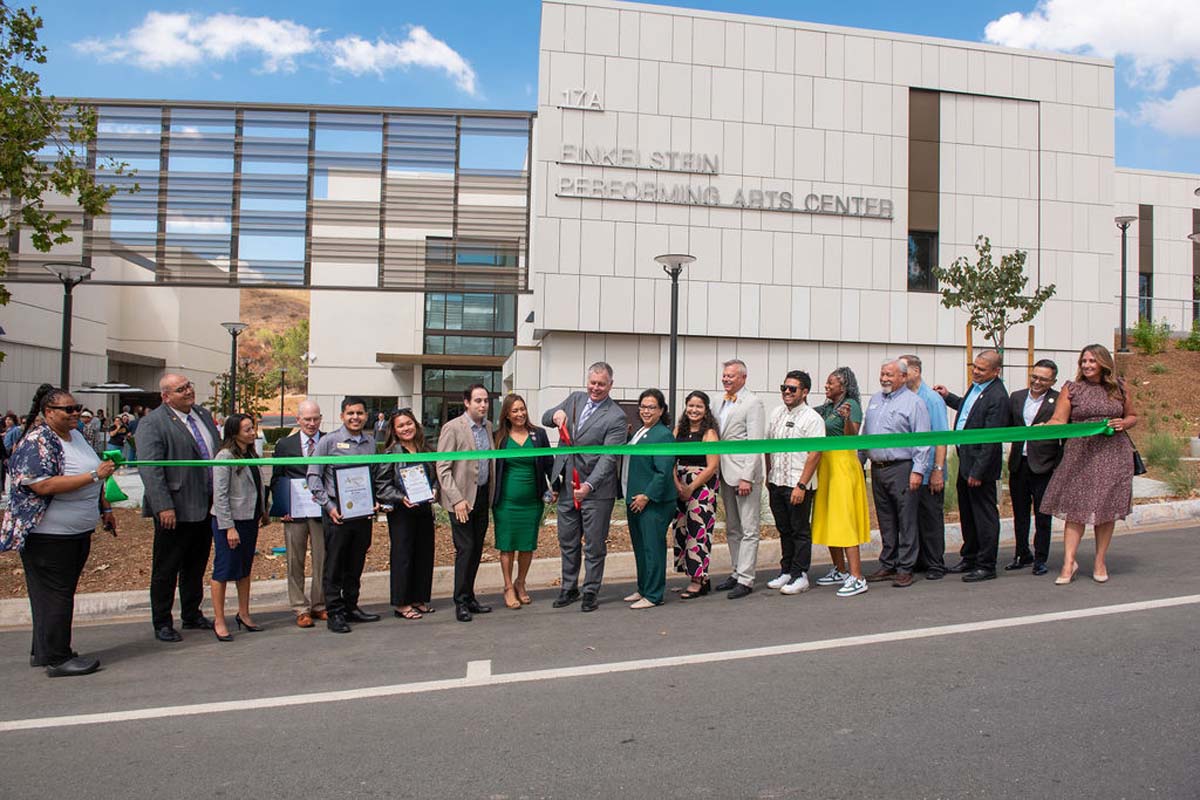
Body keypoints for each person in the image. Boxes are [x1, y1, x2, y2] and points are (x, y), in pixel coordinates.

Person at [1, 385, 117, 677]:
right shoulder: (38, 441)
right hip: (48, 535)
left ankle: (44, 651)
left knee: (53, 594)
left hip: (76, 531)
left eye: (76, 408)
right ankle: (57, 658)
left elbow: (96, 480)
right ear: (49, 412)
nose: (75, 413)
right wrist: (93, 475)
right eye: (68, 409)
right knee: (57, 595)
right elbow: (42, 484)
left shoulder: (76, 436)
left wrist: (104, 509)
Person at [1040, 345, 1136, 584]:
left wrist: (1124, 423)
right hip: (1080, 454)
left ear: (1104, 363)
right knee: (1075, 509)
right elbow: (1059, 420)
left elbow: (1133, 415)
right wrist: (1041, 428)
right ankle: (1068, 562)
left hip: (1113, 454)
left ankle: (1099, 561)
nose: (1087, 365)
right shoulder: (1072, 388)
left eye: (1092, 361)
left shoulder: (1120, 387)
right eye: (1084, 361)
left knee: (1105, 510)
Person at [138, 373, 221, 642]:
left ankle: (191, 613)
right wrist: (163, 506)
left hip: (205, 506)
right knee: (166, 568)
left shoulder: (202, 415)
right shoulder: (153, 423)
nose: (188, 392)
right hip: (175, 508)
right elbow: (151, 469)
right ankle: (162, 621)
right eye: (180, 389)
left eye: (189, 386)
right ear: (166, 396)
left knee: (195, 565)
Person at [542, 362, 628, 612]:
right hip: (568, 486)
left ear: (610, 385)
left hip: (597, 491)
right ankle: (569, 587)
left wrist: (589, 486)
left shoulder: (617, 416)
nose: (596, 388)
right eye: (592, 382)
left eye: (601, 384)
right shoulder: (575, 400)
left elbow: (609, 457)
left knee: (594, 543)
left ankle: (591, 590)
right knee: (567, 540)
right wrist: (555, 416)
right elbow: (546, 417)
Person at [934, 349, 1011, 583]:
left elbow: (990, 438)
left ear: (996, 372)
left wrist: (978, 471)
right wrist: (949, 397)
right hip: (965, 459)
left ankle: (986, 564)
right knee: (967, 513)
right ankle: (970, 557)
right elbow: (969, 413)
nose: (976, 372)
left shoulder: (997, 396)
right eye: (974, 367)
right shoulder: (977, 387)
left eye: (981, 369)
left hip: (980, 466)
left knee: (984, 515)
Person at [307, 396, 382, 634]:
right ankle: (335, 612)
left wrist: (375, 501)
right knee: (335, 565)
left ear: (366, 416)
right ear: (342, 416)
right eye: (351, 413)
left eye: (360, 413)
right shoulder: (329, 442)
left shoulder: (370, 443)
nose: (355, 417)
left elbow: (373, 476)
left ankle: (351, 606)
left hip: (362, 515)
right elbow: (313, 477)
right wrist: (328, 506)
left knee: (356, 563)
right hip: (337, 514)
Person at [862, 359, 932, 588]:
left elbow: (923, 441)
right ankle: (888, 563)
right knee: (886, 519)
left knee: (906, 519)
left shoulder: (915, 403)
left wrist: (918, 471)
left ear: (903, 377)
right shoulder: (874, 400)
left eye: (890, 375)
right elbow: (866, 434)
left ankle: (905, 567)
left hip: (902, 467)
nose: (884, 378)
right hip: (878, 469)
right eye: (882, 374)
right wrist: (859, 461)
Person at [436, 384, 496, 622]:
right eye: (478, 401)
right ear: (467, 402)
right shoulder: (452, 428)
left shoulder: (488, 427)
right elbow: (442, 467)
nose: (483, 405)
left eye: (486, 401)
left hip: (481, 496)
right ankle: (460, 601)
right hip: (461, 500)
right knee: (466, 549)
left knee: (477, 549)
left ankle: (470, 597)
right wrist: (457, 499)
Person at [811, 367, 872, 598]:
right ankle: (839, 569)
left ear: (843, 387)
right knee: (829, 517)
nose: (826, 386)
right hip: (826, 466)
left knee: (844, 519)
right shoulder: (826, 407)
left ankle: (857, 577)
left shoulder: (851, 406)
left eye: (830, 383)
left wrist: (847, 420)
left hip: (843, 466)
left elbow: (852, 437)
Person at [764, 371, 825, 595]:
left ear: (805, 392)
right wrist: (768, 473)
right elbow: (768, 446)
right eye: (784, 388)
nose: (787, 392)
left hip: (797, 484)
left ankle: (800, 574)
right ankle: (786, 571)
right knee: (784, 529)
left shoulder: (812, 418)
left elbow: (815, 454)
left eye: (793, 389)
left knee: (800, 530)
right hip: (776, 481)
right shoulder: (776, 413)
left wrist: (801, 485)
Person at [210, 413, 269, 641]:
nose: (253, 433)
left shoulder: (250, 453)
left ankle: (243, 613)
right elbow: (220, 495)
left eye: (252, 428)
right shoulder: (224, 456)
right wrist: (229, 527)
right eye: (247, 430)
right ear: (234, 433)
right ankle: (219, 619)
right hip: (230, 523)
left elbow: (256, 486)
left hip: (249, 519)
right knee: (224, 570)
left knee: (244, 569)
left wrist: (263, 510)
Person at [268, 399, 327, 628]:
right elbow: (277, 477)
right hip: (295, 513)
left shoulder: (328, 441)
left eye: (315, 419)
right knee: (294, 560)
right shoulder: (285, 445)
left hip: (322, 511)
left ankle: (319, 605)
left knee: (322, 559)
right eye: (307, 419)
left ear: (320, 418)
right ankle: (300, 608)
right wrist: (283, 507)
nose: (311, 424)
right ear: (298, 420)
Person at [375, 408, 438, 620]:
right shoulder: (391, 454)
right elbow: (382, 486)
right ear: (394, 430)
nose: (406, 428)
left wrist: (435, 489)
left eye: (409, 423)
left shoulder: (426, 449)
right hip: (402, 512)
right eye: (401, 426)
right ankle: (402, 603)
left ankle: (419, 599)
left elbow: (435, 475)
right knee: (403, 556)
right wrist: (401, 497)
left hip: (424, 509)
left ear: (416, 424)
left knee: (424, 554)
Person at [490, 394, 552, 609]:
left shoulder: (539, 435)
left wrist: (557, 488)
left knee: (527, 546)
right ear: (506, 414)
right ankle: (508, 587)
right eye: (515, 410)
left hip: (532, 502)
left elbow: (549, 465)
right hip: (506, 503)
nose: (520, 414)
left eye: (522, 409)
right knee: (507, 546)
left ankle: (521, 583)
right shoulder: (498, 437)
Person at [714, 358, 766, 599]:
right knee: (732, 527)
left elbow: (755, 443)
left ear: (743, 378)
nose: (726, 379)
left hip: (744, 475)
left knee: (749, 528)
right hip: (724, 472)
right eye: (724, 375)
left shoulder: (753, 402)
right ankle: (736, 571)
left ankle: (746, 578)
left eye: (731, 376)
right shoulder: (719, 401)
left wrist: (747, 477)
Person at [1006, 359, 1063, 576]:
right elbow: (1007, 426)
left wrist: (1057, 466)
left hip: (1044, 467)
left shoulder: (1058, 401)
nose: (1037, 382)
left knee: (1042, 516)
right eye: (1034, 376)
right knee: (1020, 514)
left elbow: (1064, 438)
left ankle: (1041, 558)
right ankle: (1022, 554)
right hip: (1019, 464)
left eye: (1043, 379)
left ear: (1052, 381)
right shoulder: (1017, 397)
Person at [622, 389, 676, 609]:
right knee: (640, 547)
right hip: (633, 498)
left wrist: (647, 495)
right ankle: (643, 587)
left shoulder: (662, 434)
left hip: (653, 502)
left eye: (651, 407)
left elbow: (663, 472)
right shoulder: (640, 431)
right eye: (643, 406)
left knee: (652, 548)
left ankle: (654, 594)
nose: (646, 410)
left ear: (661, 410)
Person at [897, 354, 949, 578]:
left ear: (916, 372)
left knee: (931, 519)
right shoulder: (905, 397)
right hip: (911, 471)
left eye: (903, 370)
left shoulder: (932, 399)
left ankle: (936, 563)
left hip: (929, 470)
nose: (900, 375)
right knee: (913, 519)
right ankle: (919, 560)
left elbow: (940, 437)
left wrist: (937, 470)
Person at [672, 391, 720, 599]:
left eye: (699, 406)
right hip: (679, 484)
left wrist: (691, 488)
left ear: (706, 409)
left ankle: (697, 579)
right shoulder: (677, 430)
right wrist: (677, 483)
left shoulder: (709, 433)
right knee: (682, 530)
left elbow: (712, 466)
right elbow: (670, 459)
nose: (694, 410)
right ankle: (700, 576)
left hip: (702, 487)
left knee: (698, 531)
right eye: (691, 405)